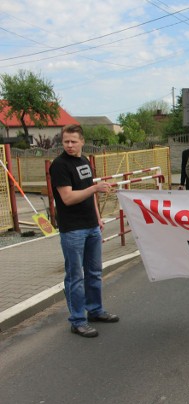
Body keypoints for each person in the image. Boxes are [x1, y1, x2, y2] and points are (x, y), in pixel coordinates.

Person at [49, 124, 120, 338]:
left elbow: (90, 196)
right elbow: (68, 198)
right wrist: (95, 188)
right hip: (73, 229)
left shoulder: (84, 161)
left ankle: (95, 310)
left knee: (95, 272)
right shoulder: (59, 165)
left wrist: (98, 218)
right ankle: (78, 320)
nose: (69, 145)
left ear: (82, 141)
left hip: (91, 226)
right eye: (66, 142)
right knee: (75, 276)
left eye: (73, 141)